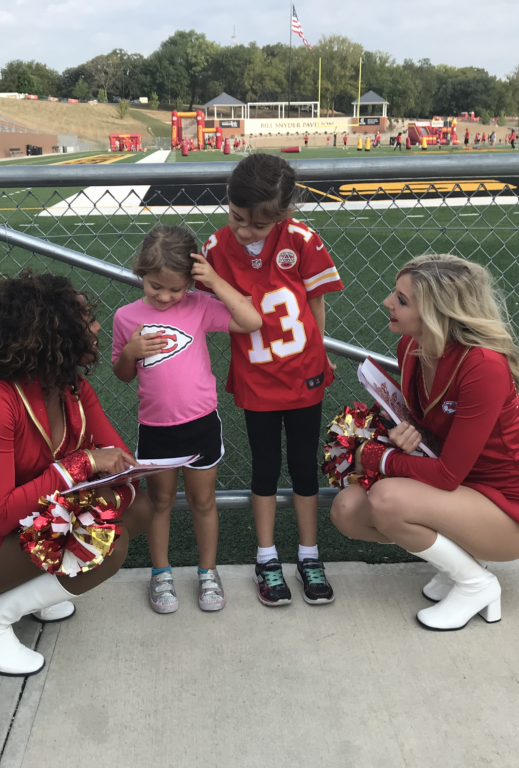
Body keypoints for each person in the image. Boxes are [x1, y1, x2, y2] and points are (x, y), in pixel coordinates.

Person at [0, 271, 152, 675]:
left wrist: (110, 481)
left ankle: (37, 593)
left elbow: (120, 462)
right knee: (106, 543)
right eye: (86, 319)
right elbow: (2, 512)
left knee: (137, 510)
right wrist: (84, 464)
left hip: (21, 519)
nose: (95, 328)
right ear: (52, 335)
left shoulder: (72, 387)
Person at [330, 254, 519, 631]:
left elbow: (446, 475)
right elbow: (437, 439)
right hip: (463, 491)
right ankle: (458, 566)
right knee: (348, 509)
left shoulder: (483, 365)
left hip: (512, 512)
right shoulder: (411, 348)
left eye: (402, 299)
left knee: (386, 498)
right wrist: (407, 433)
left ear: (437, 312)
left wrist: (378, 457)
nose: (387, 303)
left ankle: (476, 584)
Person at [198, 153, 344, 606]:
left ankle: (308, 553)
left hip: (302, 373)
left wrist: (320, 353)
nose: (244, 231)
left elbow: (315, 306)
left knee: (303, 466)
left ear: (284, 214)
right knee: (264, 468)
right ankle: (266, 556)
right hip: (256, 378)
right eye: (236, 218)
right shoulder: (215, 250)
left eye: (257, 226)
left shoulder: (301, 240)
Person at [112, 226, 262, 614]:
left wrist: (213, 281)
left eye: (174, 288)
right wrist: (130, 351)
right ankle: (160, 573)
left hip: (200, 425)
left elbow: (251, 321)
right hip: (156, 429)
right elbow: (123, 374)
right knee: (160, 501)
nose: (164, 296)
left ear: (191, 281)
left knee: (203, 500)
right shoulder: (127, 317)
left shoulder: (199, 305)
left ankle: (207, 572)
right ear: (140, 274)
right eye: (154, 286)